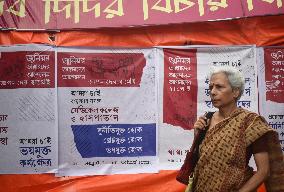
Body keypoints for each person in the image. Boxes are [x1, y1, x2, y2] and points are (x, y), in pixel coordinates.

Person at [192, 66, 284, 192]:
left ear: (235, 92)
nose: (212, 92)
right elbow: (203, 162)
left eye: (219, 87)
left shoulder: (250, 123)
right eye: (211, 87)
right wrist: (197, 135)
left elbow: (264, 171)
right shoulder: (206, 120)